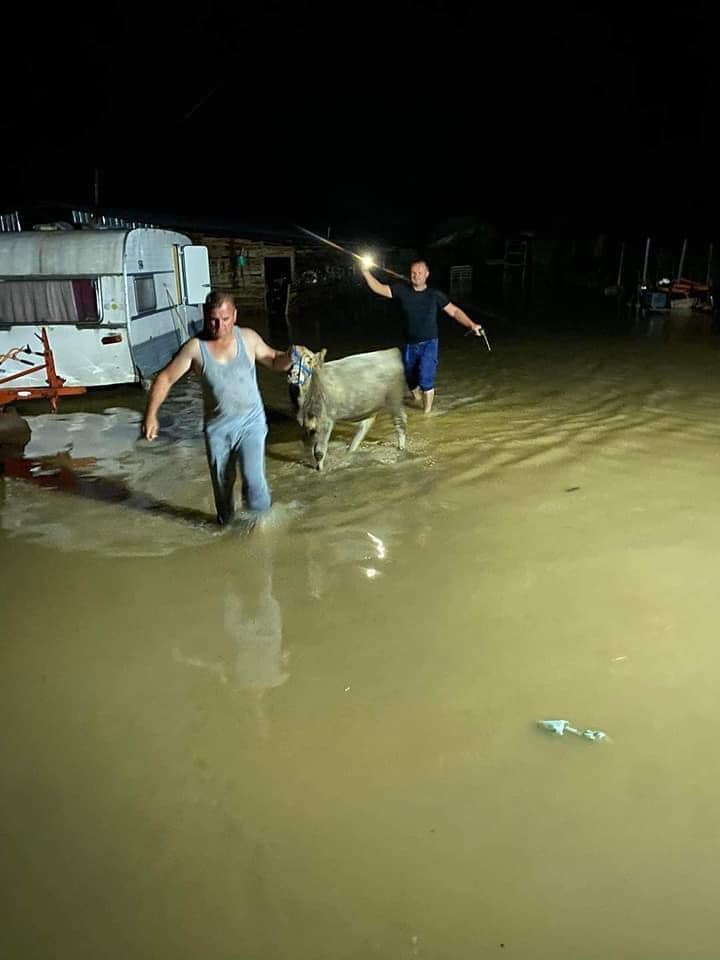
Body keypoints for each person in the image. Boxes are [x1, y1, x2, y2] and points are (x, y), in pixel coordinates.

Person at [142, 291, 292, 525]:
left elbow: (274, 360)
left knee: (254, 480)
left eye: (225, 319)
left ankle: (261, 529)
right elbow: (165, 379)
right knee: (223, 487)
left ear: (234, 316)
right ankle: (227, 529)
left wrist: (291, 355)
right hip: (218, 430)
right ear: (205, 317)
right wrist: (151, 415)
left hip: (251, 423)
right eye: (213, 319)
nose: (219, 325)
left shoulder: (249, 338)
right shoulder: (194, 348)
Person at [360, 259, 484, 413]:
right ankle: (417, 398)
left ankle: (427, 415)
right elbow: (378, 288)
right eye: (413, 273)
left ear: (426, 275)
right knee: (411, 379)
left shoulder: (434, 295)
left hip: (429, 343)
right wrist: (365, 272)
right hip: (409, 344)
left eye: (419, 273)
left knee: (426, 377)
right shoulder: (402, 290)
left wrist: (471, 325)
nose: (416, 276)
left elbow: (454, 311)